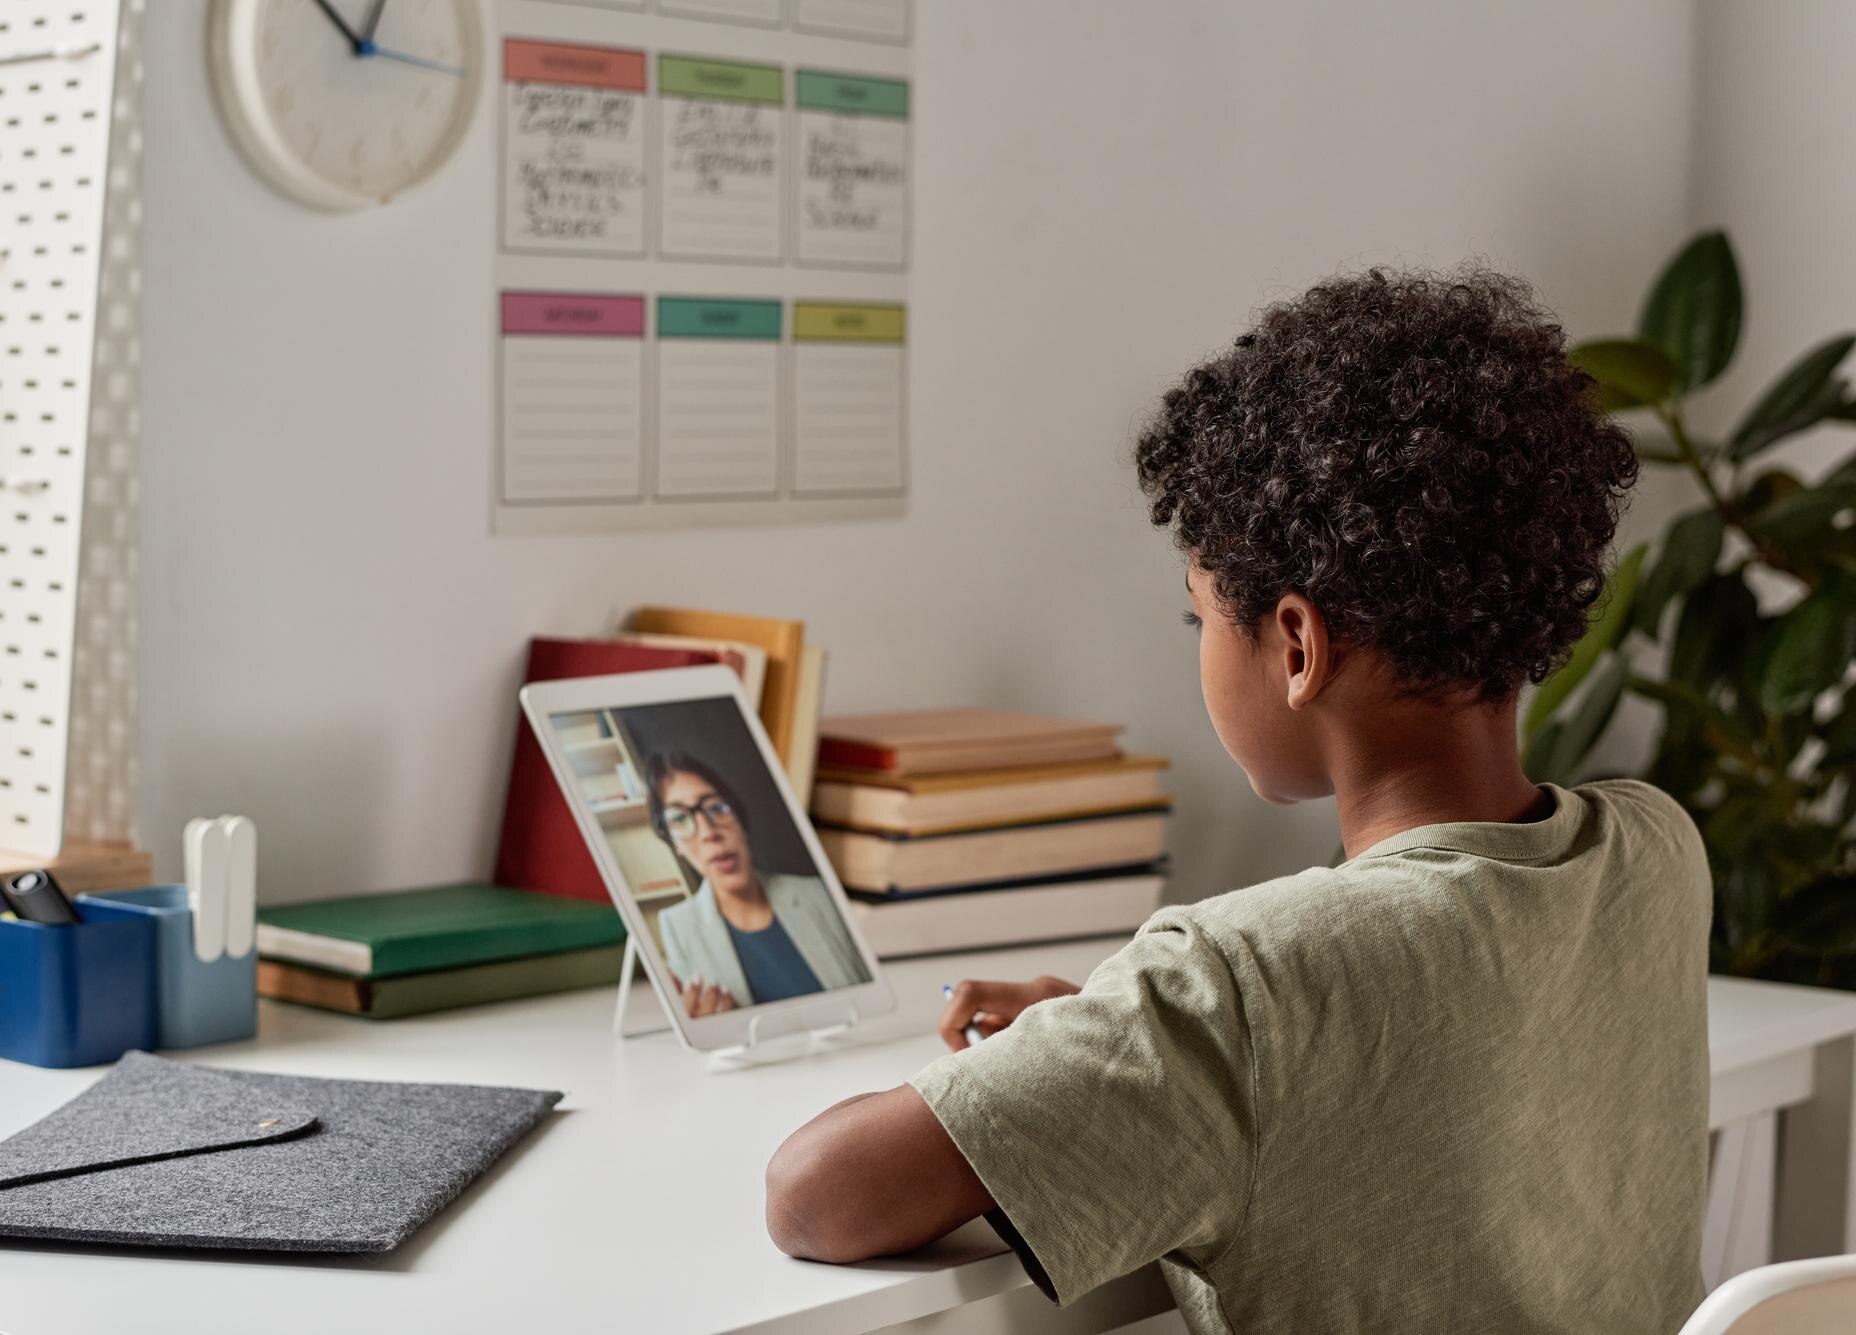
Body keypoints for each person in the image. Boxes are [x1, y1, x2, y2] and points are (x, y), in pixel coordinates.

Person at [763, 268, 1711, 1332]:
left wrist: (1133, 1039)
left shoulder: (1238, 987)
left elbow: (815, 1195)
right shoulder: (1654, 847)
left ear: (1296, 646)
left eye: (1200, 618)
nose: (1201, 651)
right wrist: (1119, 1041)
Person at [647, 750, 868, 1017]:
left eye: (717, 807)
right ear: (675, 845)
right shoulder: (677, 926)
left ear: (741, 821)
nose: (708, 832)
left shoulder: (820, 893)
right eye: (679, 820)